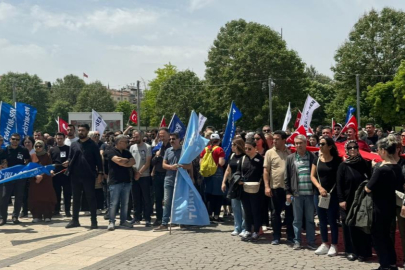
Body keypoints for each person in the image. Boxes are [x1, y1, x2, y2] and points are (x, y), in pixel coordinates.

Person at [365, 137, 404, 270]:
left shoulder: (381, 169)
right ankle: (391, 262)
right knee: (388, 235)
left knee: (378, 236)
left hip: (379, 206)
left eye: (379, 149)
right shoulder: (397, 167)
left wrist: (374, 169)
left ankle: (384, 264)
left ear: (383, 150)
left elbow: (368, 187)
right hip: (391, 205)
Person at [336, 140, 372, 261]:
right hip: (347, 200)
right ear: (346, 149)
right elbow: (339, 184)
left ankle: (364, 252)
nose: (352, 149)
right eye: (350, 147)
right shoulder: (343, 165)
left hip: (361, 200)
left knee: (362, 225)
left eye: (355, 147)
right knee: (348, 226)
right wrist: (341, 200)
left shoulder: (364, 163)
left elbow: (370, 179)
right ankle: (351, 251)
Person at [65, 124, 103, 229]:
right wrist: (67, 163)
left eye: (82, 130)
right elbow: (70, 158)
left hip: (88, 176)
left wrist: (100, 173)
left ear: (87, 131)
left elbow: (98, 161)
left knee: (91, 198)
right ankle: (75, 220)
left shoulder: (93, 145)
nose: (80, 132)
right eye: (79, 130)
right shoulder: (74, 145)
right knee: (76, 198)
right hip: (75, 176)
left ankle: (94, 221)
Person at [311, 136, 342, 256]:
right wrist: (319, 188)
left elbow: (339, 178)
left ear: (329, 146)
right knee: (321, 220)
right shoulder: (316, 159)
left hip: (332, 195)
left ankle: (334, 245)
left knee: (333, 220)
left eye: (323, 144)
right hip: (318, 194)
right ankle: (324, 243)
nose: (320, 146)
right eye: (319, 144)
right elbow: (312, 176)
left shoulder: (337, 161)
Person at [285, 135, 317, 250]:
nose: (298, 145)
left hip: (310, 194)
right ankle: (297, 241)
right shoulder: (290, 158)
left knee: (310, 220)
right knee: (297, 220)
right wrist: (288, 192)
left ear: (305, 143)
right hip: (296, 194)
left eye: (301, 143)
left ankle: (311, 241)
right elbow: (287, 177)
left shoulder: (313, 157)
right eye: (296, 143)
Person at [154, 133, 191, 231]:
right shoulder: (167, 150)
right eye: (170, 139)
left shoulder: (184, 151)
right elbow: (163, 165)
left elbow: (189, 166)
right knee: (167, 201)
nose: (171, 141)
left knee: (181, 201)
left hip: (181, 180)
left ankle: (182, 222)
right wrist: (171, 167)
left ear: (179, 140)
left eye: (173, 139)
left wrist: (180, 166)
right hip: (169, 179)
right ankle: (164, 223)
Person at [263, 130, 293, 245]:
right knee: (275, 213)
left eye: (277, 139)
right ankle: (276, 236)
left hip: (289, 189)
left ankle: (290, 236)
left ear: (284, 140)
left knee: (290, 213)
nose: (274, 141)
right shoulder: (269, 153)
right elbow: (266, 170)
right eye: (273, 139)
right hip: (275, 188)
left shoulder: (290, 152)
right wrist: (266, 186)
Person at [0, 133, 31, 225]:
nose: (15, 141)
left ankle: (15, 217)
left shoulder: (23, 150)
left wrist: (25, 167)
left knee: (19, 197)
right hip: (8, 177)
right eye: (13, 139)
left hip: (20, 177)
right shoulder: (4, 150)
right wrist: (2, 165)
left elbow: (28, 160)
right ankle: (3, 218)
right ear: (10, 139)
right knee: (4, 197)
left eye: (17, 139)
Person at [106, 135, 135, 231]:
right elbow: (118, 161)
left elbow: (133, 161)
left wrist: (124, 161)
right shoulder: (111, 151)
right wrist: (126, 161)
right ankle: (111, 221)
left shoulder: (127, 152)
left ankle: (123, 221)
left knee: (125, 203)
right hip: (115, 181)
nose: (127, 143)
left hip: (126, 181)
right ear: (119, 142)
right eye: (125, 142)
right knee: (114, 203)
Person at [238, 140, 264, 241]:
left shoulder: (260, 159)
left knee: (256, 209)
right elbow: (238, 171)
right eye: (246, 149)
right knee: (247, 209)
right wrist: (239, 180)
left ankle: (257, 230)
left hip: (256, 188)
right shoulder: (243, 158)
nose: (247, 150)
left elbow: (264, 173)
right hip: (244, 187)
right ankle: (248, 229)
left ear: (255, 149)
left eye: (249, 149)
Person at [221, 138, 246, 236]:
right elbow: (228, 170)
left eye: (233, 145)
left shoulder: (244, 156)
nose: (231, 147)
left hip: (242, 185)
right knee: (235, 207)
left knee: (243, 208)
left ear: (238, 146)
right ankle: (237, 227)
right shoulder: (232, 156)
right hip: (233, 185)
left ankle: (244, 228)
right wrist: (223, 182)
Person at [29, 140, 57, 223]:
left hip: (46, 180)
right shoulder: (32, 156)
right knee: (35, 197)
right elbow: (29, 168)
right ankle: (36, 216)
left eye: (40, 146)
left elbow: (49, 167)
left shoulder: (47, 155)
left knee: (47, 197)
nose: (38, 148)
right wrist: (36, 176)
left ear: (43, 146)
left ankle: (47, 215)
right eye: (36, 146)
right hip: (35, 180)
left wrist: (43, 175)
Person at [200, 133, 225, 222]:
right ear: (219, 141)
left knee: (209, 195)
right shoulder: (219, 149)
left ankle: (209, 214)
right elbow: (221, 163)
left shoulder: (205, 149)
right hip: (217, 174)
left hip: (207, 174)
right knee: (218, 195)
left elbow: (201, 162)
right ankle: (216, 216)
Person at [129, 130, 152, 227]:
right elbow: (131, 161)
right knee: (135, 198)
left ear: (141, 137)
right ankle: (136, 217)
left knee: (146, 198)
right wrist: (135, 173)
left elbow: (147, 163)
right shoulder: (132, 147)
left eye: (137, 137)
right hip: (134, 176)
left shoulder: (147, 147)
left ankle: (147, 218)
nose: (135, 139)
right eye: (134, 137)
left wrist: (140, 173)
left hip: (144, 176)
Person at [151, 128, 171, 226]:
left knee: (167, 199)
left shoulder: (172, 147)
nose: (161, 137)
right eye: (160, 135)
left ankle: (168, 218)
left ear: (168, 135)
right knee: (158, 198)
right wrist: (157, 156)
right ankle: (159, 218)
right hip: (158, 175)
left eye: (163, 135)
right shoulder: (159, 147)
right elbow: (153, 162)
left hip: (168, 175)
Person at [49, 132, 72, 217]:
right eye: (58, 138)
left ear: (64, 138)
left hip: (66, 173)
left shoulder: (69, 148)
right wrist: (51, 170)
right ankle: (56, 210)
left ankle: (67, 210)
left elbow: (72, 158)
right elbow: (50, 162)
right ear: (55, 139)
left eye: (61, 138)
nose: (59, 140)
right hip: (56, 174)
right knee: (56, 193)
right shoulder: (52, 149)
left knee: (67, 193)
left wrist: (68, 162)